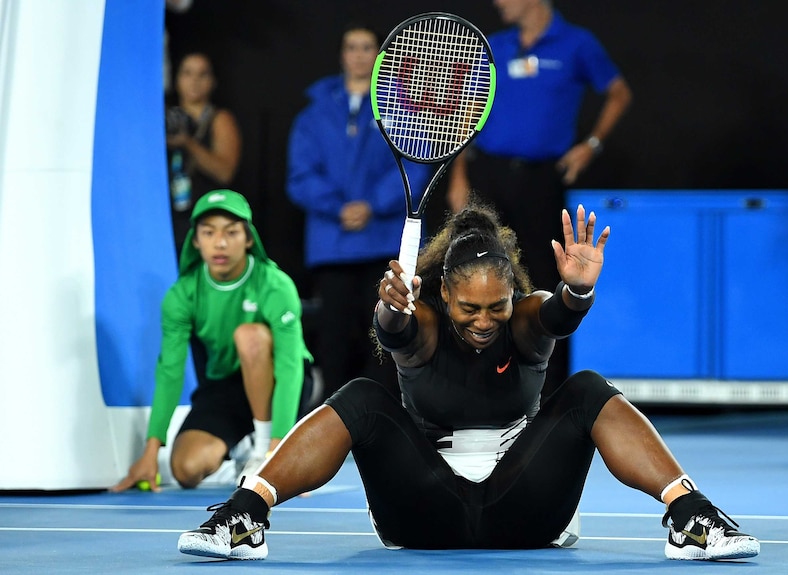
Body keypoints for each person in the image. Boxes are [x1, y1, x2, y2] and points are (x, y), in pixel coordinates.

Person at [176, 199, 759, 562]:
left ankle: (692, 516)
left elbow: (556, 313)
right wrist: (391, 313)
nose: (484, 322)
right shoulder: (422, 321)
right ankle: (244, 514)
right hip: (422, 510)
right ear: (443, 295)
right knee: (361, 396)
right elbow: (398, 332)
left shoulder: (527, 320)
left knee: (585, 388)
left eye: (496, 308)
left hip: (524, 507)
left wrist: (578, 290)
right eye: (468, 309)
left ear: (512, 295)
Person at [447, 0, 632, 394]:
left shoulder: (577, 43)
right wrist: (459, 175)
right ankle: (479, 386)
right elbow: (467, 111)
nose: (497, 2)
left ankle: (549, 392)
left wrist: (591, 145)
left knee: (546, 282)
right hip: (489, 176)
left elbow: (618, 93)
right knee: (480, 276)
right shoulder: (493, 46)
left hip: (542, 181)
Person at [111, 189, 313, 493]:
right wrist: (151, 451)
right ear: (196, 240)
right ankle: (243, 450)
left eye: (231, 233)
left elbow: (289, 367)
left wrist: (275, 449)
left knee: (250, 337)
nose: (220, 243)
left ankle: (261, 451)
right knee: (186, 469)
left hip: (280, 382)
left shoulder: (275, 285)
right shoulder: (182, 295)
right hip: (225, 391)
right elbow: (170, 371)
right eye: (208, 233)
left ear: (248, 239)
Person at [286, 23, 431, 400]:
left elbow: (415, 163)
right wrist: (339, 208)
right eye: (351, 46)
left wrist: (372, 206)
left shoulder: (404, 106)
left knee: (386, 334)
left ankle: (383, 415)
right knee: (332, 338)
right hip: (332, 244)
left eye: (367, 47)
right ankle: (333, 421)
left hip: (382, 241)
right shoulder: (313, 114)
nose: (359, 54)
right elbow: (300, 175)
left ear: (379, 54)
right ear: (341, 54)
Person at [166, 51, 242, 261]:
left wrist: (188, 143)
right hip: (168, 222)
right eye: (187, 73)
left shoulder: (219, 119)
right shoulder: (165, 118)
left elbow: (225, 172)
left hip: (205, 224)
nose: (194, 82)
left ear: (213, 81)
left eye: (202, 75)